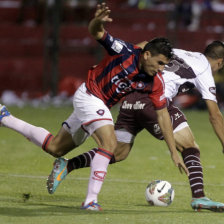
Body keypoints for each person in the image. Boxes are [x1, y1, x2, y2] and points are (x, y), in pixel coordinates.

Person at [0, 3, 188, 211]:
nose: (161, 69)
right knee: (109, 144)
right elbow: (97, 32)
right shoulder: (123, 51)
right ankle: (90, 200)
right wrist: (97, 20)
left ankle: (5, 117)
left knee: (56, 148)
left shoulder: (155, 81)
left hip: (99, 105)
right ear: (146, 55)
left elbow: (163, 116)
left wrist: (173, 152)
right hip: (89, 96)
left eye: (164, 65)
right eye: (160, 63)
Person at [46, 40, 224, 212]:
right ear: (220, 62)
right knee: (190, 146)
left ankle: (68, 165)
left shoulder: (179, 53)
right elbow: (215, 115)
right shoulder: (205, 70)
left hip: (132, 96)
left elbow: (143, 46)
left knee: (118, 151)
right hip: (154, 100)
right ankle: (199, 197)